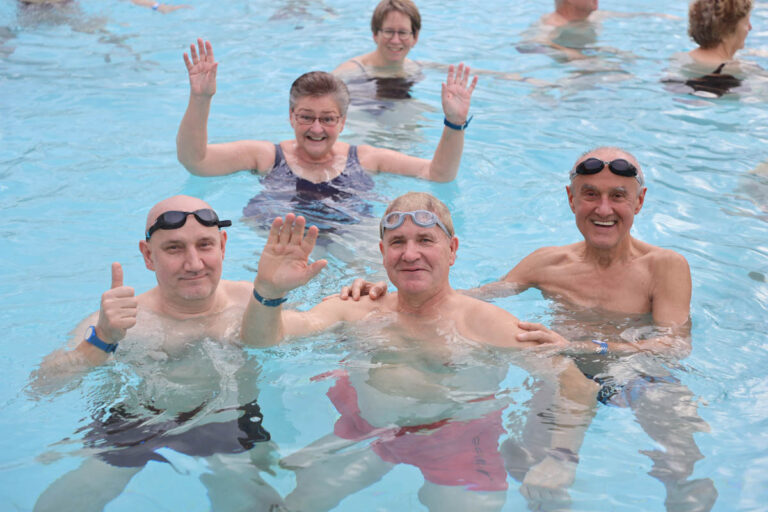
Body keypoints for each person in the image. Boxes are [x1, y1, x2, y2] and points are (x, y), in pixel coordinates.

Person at [347, 148, 717, 510]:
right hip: (560, 371)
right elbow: (458, 295)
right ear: (571, 199)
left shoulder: (664, 266)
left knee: (682, 459)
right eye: (590, 195)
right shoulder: (547, 263)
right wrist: (385, 291)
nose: (603, 209)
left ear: (639, 201)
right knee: (529, 470)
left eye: (617, 196)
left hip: (637, 373)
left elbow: (673, 346)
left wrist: (589, 346)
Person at [241, 192, 599, 510]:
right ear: (383, 253)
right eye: (397, 242)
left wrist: (561, 459)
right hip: (368, 427)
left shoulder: (487, 324)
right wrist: (268, 293)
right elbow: (266, 341)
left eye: (425, 239)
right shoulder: (358, 308)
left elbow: (577, 385)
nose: (410, 254)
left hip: (457, 443)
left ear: (452, 250)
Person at [31, 195, 283, 512]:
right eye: (174, 248)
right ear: (148, 255)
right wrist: (102, 340)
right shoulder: (119, 322)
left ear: (223, 245)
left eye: (204, 245)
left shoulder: (257, 302)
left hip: (228, 418)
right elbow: (42, 387)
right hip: (140, 419)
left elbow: (323, 324)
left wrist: (361, 297)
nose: (193, 264)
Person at [176, 39, 477, 231]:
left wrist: (453, 123)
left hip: (350, 238)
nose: (316, 129)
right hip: (281, 241)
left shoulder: (367, 158)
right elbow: (197, 161)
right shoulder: (266, 156)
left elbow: (438, 174)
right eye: (306, 117)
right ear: (291, 116)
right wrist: (201, 99)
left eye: (327, 119)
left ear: (343, 122)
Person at [665, 0, 753, 98]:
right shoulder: (742, 69)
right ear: (727, 31)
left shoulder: (678, 59)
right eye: (746, 22)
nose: (750, 27)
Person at [333, 0, 422, 85]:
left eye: (403, 33)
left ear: (415, 37)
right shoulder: (349, 72)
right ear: (375, 34)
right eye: (388, 32)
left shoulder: (414, 68)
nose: (395, 40)